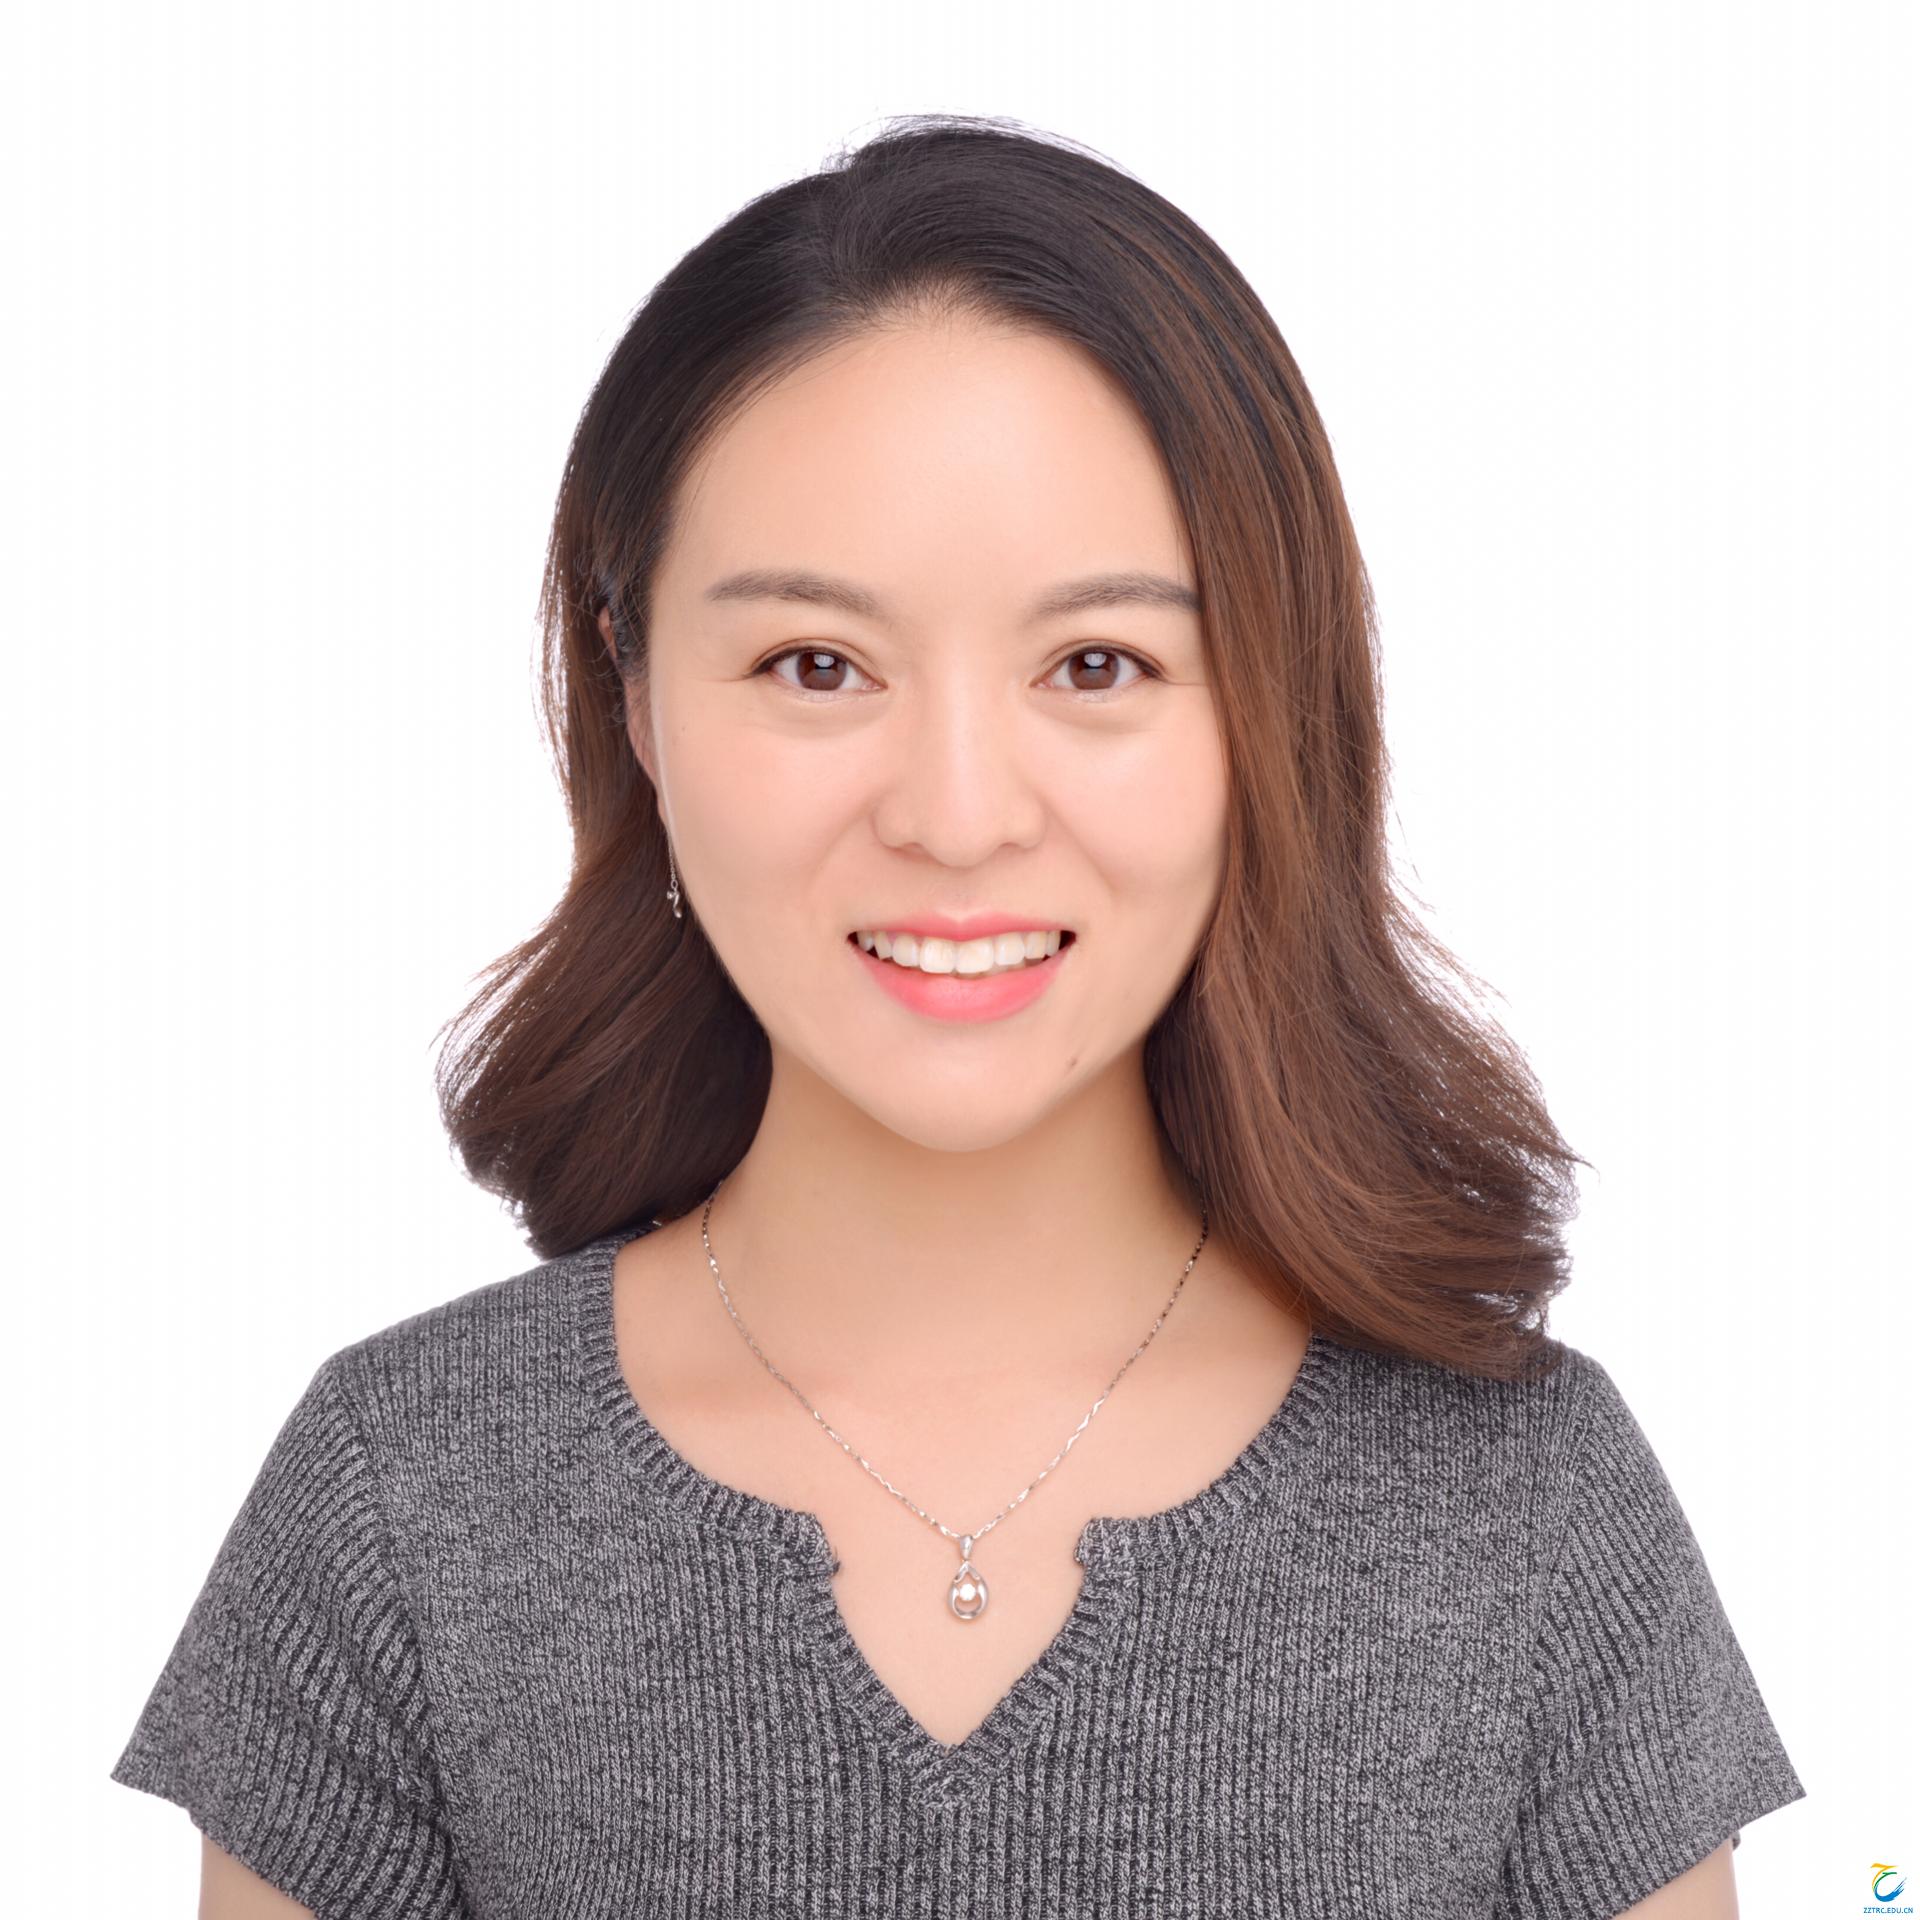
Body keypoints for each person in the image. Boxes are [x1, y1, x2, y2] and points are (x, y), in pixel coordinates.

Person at [110, 112, 1804, 1917]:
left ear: (1268, 707)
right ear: (634, 697)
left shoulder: (1527, 1507)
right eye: (816, 665)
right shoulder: (406, 1494)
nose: (959, 813)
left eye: (1098, 664)